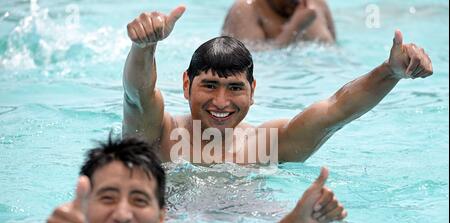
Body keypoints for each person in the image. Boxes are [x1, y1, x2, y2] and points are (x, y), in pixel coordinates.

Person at [123, 6, 433, 165]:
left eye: (234, 88)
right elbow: (138, 95)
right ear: (186, 84)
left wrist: (390, 71)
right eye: (209, 85)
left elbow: (336, 110)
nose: (221, 101)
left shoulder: (266, 144)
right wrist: (144, 47)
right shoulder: (159, 134)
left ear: (253, 91)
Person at [16, 136, 346, 223]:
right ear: (83, 207)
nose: (122, 213)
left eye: (139, 200)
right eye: (107, 197)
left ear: (161, 219)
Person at [221, 0, 336, 48]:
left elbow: (336, 49)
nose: (298, 3)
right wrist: (294, 28)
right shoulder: (246, 9)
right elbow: (246, 64)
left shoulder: (317, 4)